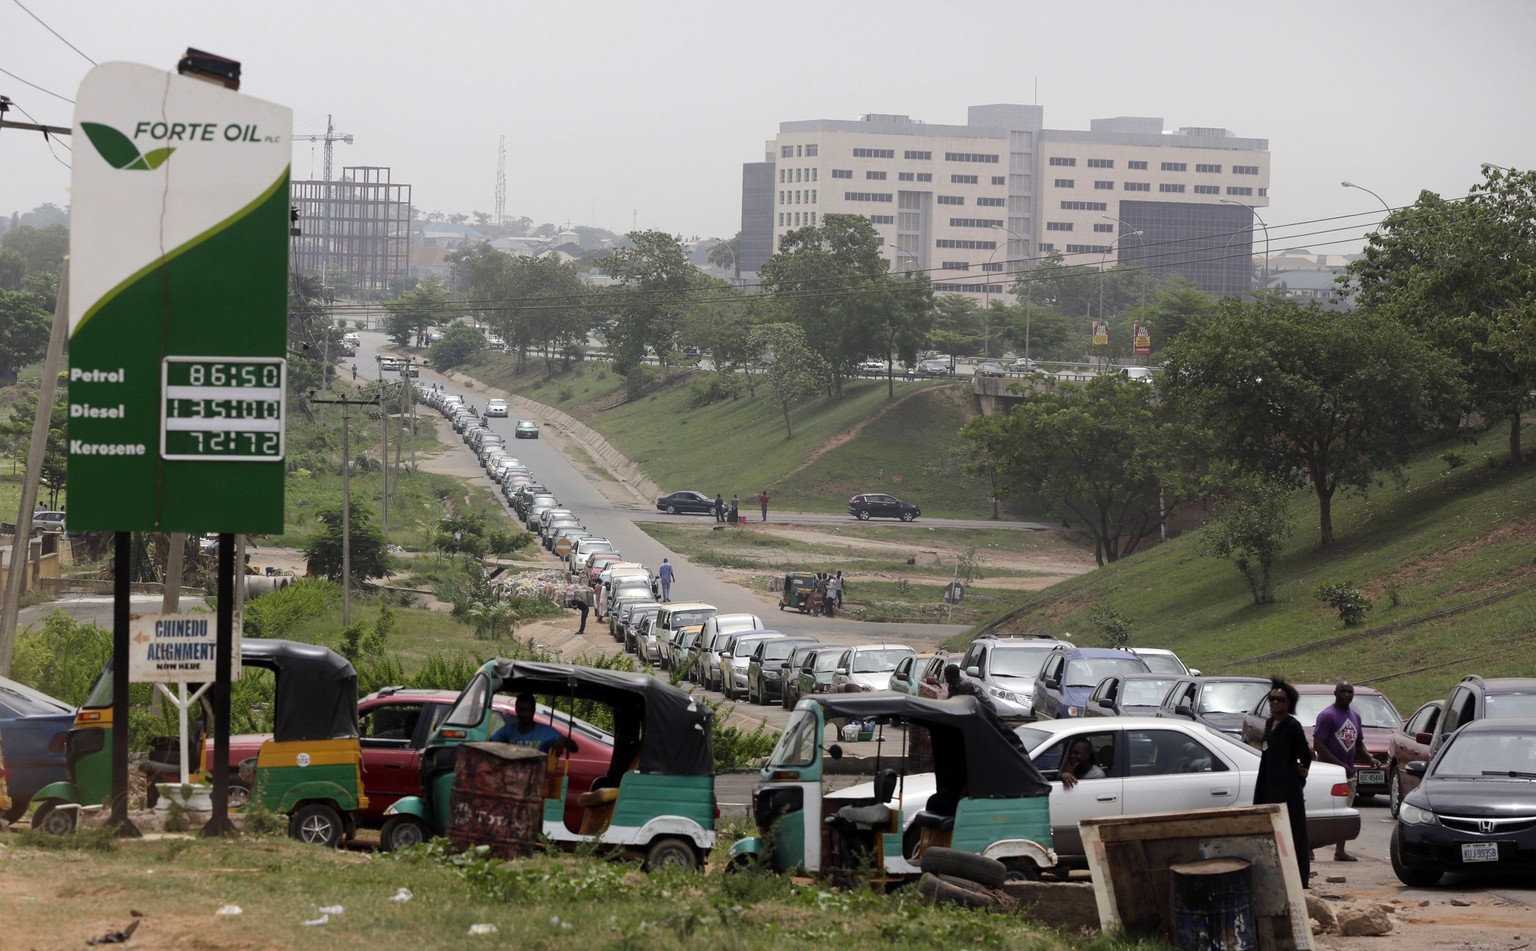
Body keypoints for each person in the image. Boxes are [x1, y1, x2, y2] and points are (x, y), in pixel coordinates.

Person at [1255, 678, 1313, 888]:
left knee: (1293, 832)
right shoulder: (1270, 723)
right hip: (1268, 782)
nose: (1275, 703)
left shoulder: (1292, 725)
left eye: (1280, 700)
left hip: (1287, 787)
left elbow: (1305, 754)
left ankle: (1299, 879)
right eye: (1272, 699)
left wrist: (1300, 772)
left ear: (1289, 703)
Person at [1313, 681, 1372, 861]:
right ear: (1335, 693)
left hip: (1349, 773)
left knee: (1345, 812)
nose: (1347, 694)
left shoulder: (1355, 716)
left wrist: (1370, 758)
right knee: (1321, 812)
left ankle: (1340, 850)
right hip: (1328, 773)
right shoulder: (1327, 716)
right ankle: (1309, 847)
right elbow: (1319, 745)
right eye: (1343, 691)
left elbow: (1358, 743)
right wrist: (1340, 765)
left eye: (1350, 692)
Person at [491, 693, 578, 755]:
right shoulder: (508, 730)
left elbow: (575, 748)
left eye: (528, 711)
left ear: (533, 711)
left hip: (537, 777)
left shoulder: (546, 731)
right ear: (516, 710)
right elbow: (490, 744)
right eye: (522, 710)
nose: (525, 714)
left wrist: (564, 740)